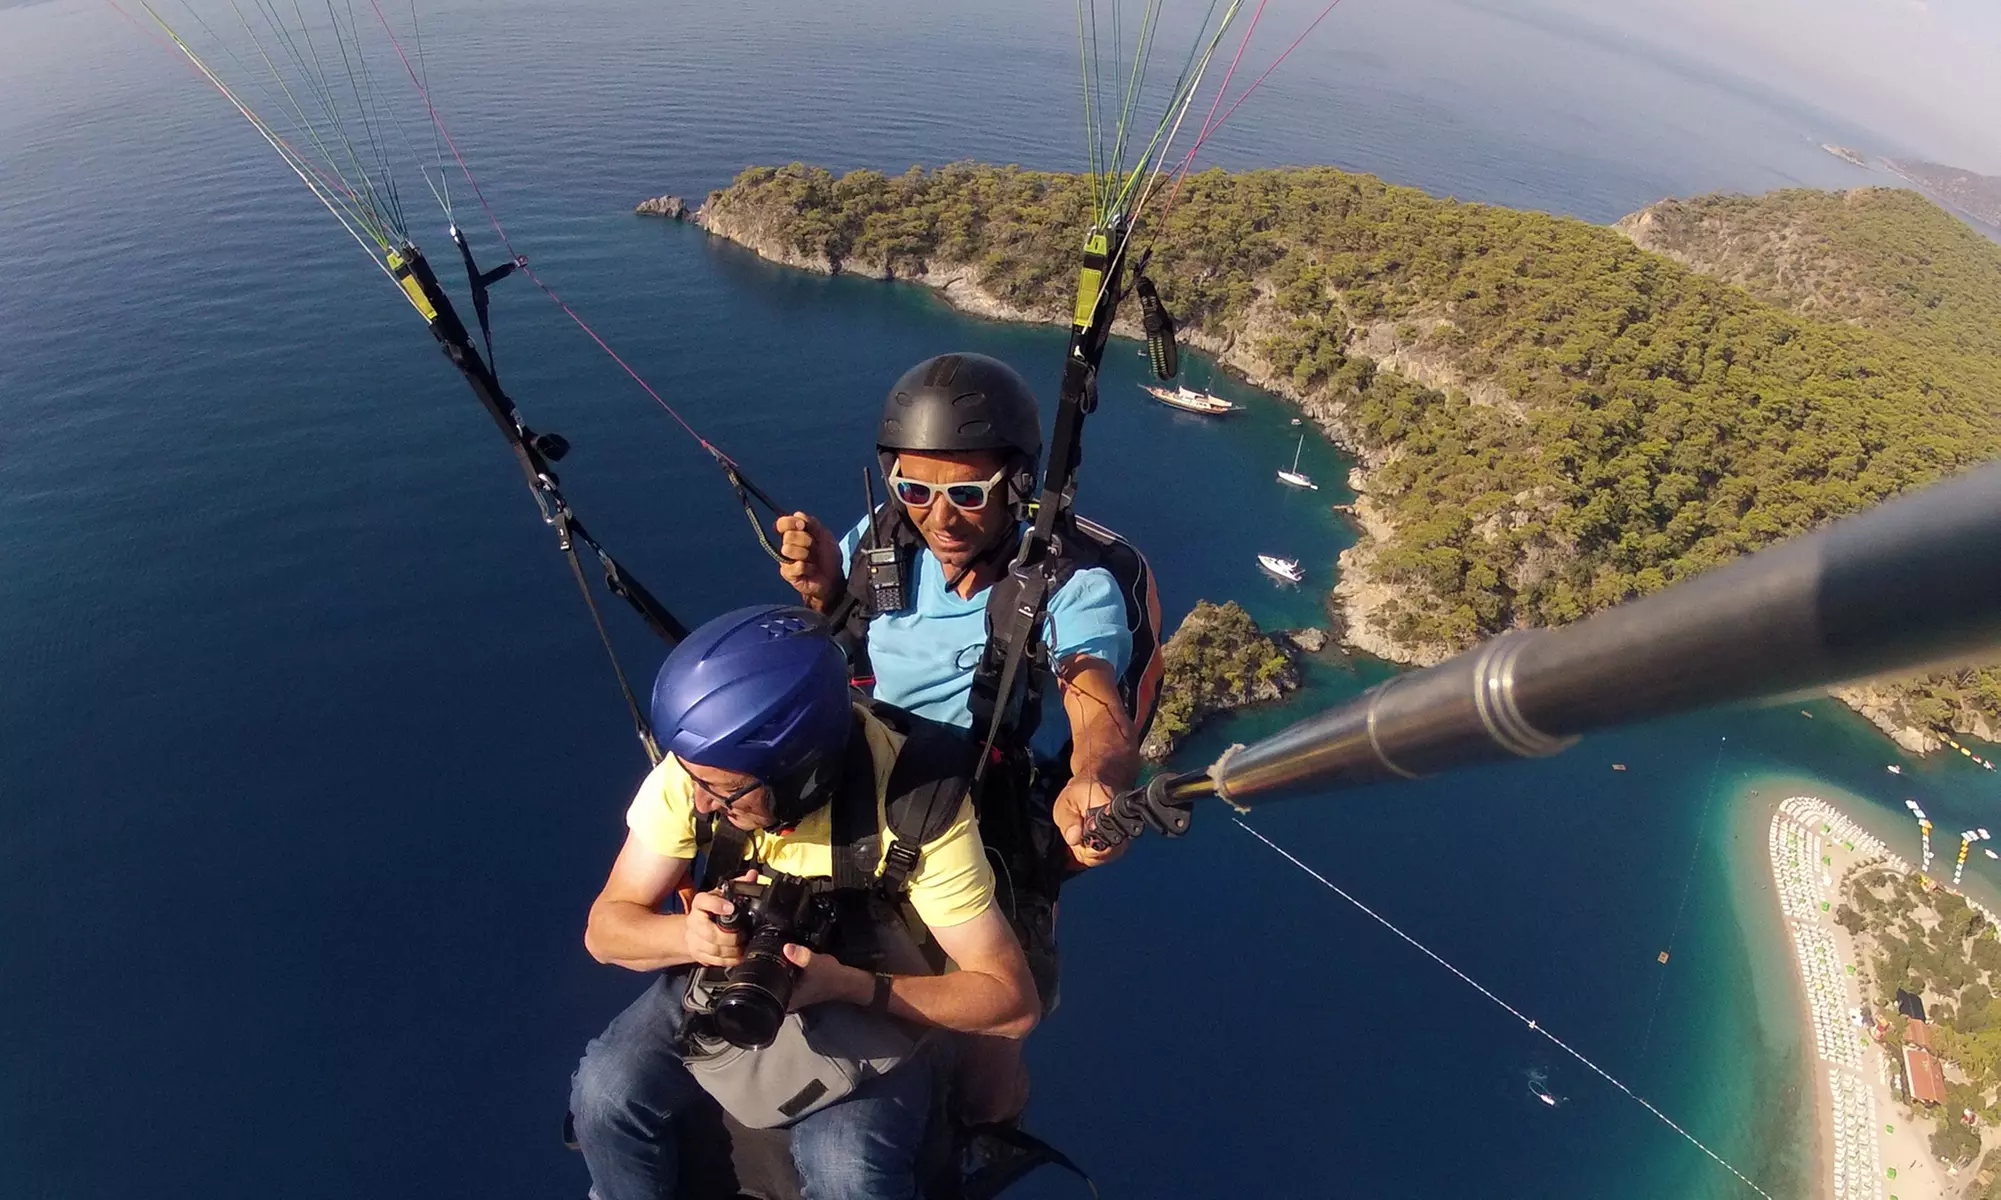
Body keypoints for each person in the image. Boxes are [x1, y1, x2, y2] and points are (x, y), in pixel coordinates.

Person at [772, 352, 1152, 1122]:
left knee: (997, 1034)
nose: (938, 517)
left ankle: (984, 1130)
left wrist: (1096, 775)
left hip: (978, 805)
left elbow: (1092, 696)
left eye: (968, 494)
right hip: (867, 782)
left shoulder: (1066, 584)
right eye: (913, 489)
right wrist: (821, 589)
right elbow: (843, 630)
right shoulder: (881, 540)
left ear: (1016, 485)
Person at [570, 604, 1038, 1200]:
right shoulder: (702, 772)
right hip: (728, 977)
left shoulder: (915, 811)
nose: (703, 802)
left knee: (848, 1170)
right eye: (694, 779)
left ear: (801, 771)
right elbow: (605, 928)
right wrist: (686, 936)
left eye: (725, 791)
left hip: (872, 1006)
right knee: (605, 1096)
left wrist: (851, 986)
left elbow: (1009, 1000)